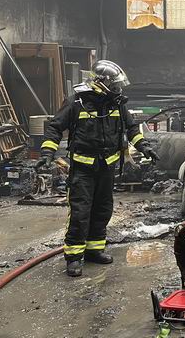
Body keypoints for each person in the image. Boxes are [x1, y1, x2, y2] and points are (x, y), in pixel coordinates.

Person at [38, 60, 159, 277]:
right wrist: (47, 153)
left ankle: (95, 250)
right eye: (115, 85)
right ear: (101, 83)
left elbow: (132, 128)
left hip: (107, 168)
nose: (118, 90)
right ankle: (74, 257)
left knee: (102, 210)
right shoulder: (77, 103)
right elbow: (55, 127)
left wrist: (145, 147)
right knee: (80, 212)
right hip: (83, 169)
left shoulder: (117, 104)